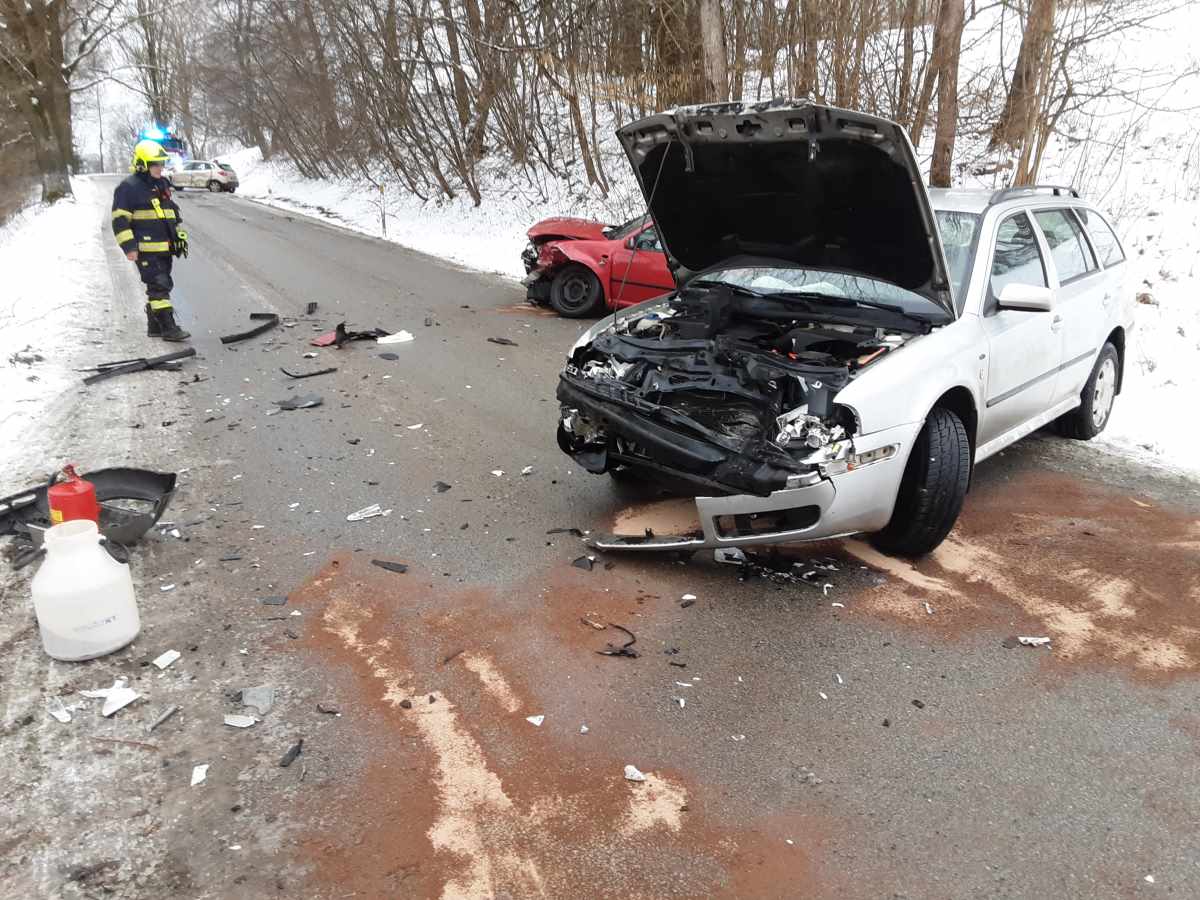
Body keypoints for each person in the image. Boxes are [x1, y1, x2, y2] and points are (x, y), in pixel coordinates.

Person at [111, 140, 191, 341]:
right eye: (155, 164)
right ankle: (169, 328)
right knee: (159, 285)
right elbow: (120, 220)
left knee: (162, 284)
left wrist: (178, 236)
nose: (160, 167)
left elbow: (169, 214)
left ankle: (154, 326)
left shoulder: (161, 184)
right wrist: (129, 247)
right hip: (145, 249)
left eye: (161, 163)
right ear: (142, 165)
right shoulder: (128, 188)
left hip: (164, 247)